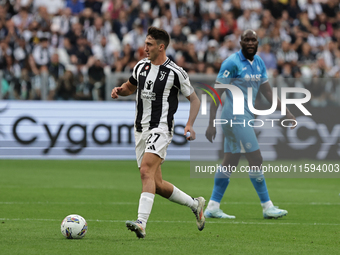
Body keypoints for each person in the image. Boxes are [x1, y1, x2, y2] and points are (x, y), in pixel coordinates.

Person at [111, 26, 205, 239]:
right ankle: (195, 204)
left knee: (145, 170)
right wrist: (119, 90)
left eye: (149, 45)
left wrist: (190, 124)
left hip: (161, 128)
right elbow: (130, 87)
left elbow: (195, 99)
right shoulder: (141, 66)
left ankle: (141, 223)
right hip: (140, 130)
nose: (145, 48)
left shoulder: (175, 72)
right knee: (158, 185)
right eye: (145, 43)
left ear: (161, 47)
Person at [204, 29, 296, 219]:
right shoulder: (231, 62)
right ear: (241, 42)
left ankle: (213, 205)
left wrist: (286, 111)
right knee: (256, 158)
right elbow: (216, 93)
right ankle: (267, 206)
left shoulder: (259, 63)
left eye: (253, 40)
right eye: (247, 40)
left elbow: (268, 93)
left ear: (258, 42)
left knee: (231, 160)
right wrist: (211, 121)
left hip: (245, 117)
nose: (251, 43)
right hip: (235, 117)